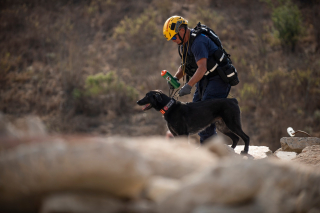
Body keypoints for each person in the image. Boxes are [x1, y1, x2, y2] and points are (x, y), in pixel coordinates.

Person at [163, 15, 235, 144]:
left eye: (173, 37)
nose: (173, 40)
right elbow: (185, 66)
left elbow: (202, 68)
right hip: (205, 79)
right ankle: (209, 148)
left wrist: (189, 85)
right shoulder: (184, 44)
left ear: (182, 30)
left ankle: (210, 150)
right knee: (195, 115)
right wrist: (175, 79)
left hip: (218, 79)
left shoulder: (198, 42)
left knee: (204, 115)